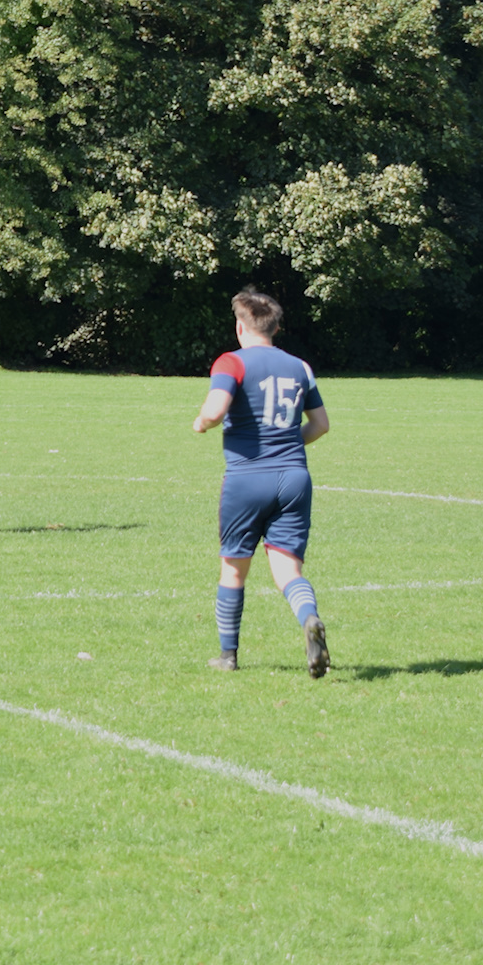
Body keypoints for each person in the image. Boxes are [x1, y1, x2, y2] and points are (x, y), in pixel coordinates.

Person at [192, 290, 333, 678]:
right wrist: (286, 443)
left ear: (240, 327)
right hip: (294, 478)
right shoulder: (299, 366)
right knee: (288, 570)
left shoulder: (231, 362)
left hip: (248, 478)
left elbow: (215, 411)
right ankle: (309, 618)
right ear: (275, 328)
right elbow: (321, 425)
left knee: (234, 569)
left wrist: (201, 422)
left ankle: (228, 656)